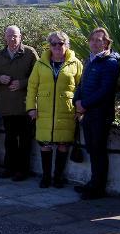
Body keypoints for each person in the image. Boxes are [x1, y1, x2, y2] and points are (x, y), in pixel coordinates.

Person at [27, 31, 83, 188]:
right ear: (49, 45)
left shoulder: (76, 63)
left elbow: (81, 87)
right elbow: (32, 87)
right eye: (54, 44)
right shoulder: (40, 64)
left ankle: (58, 177)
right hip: (44, 111)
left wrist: (79, 109)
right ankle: (46, 177)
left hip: (67, 111)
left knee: (62, 144)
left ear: (67, 45)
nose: (58, 46)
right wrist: (31, 107)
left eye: (61, 43)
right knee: (45, 144)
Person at [72, 28, 120, 199]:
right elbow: (82, 84)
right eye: (92, 39)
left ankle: (98, 188)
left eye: (99, 40)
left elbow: (105, 90)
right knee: (92, 149)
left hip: (100, 113)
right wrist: (76, 101)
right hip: (88, 112)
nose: (95, 43)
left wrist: (84, 104)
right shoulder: (90, 60)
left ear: (106, 43)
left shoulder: (110, 62)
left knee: (99, 151)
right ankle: (93, 183)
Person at [0, 25, 38, 181]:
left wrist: (22, 83)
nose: (12, 39)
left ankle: (22, 170)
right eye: (9, 36)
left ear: (20, 36)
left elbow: (38, 76)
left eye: (15, 36)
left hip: (25, 104)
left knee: (24, 140)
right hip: (7, 105)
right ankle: (9, 168)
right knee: (10, 139)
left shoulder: (30, 53)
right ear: (5, 37)